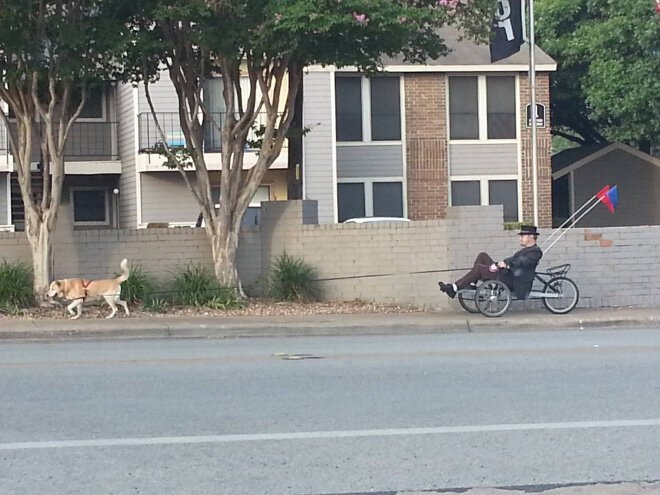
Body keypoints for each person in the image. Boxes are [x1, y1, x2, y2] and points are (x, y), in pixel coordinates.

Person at [439, 225, 543, 300]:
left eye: (522, 236)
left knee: (480, 268)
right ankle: (471, 283)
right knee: (482, 256)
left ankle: (454, 287)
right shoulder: (525, 250)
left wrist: (507, 265)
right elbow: (513, 259)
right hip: (507, 274)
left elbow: (522, 262)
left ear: (531, 236)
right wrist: (500, 263)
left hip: (515, 281)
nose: (520, 238)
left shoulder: (536, 252)